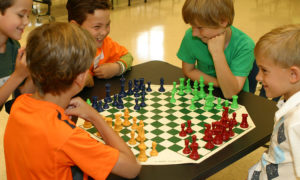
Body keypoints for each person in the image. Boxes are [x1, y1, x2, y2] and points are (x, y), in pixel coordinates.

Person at [4, 22, 141, 180]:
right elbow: (132, 168)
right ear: (81, 78)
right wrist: (94, 117)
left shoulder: (19, 104)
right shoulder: (67, 137)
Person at [248, 24, 300, 179]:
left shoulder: (297, 122)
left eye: (264, 70)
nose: (258, 77)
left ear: (293, 74)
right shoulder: (289, 100)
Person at [177, 0, 255, 99]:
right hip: (205, 93)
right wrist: (219, 83)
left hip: (236, 102)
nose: (194, 34)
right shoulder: (191, 37)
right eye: (192, 27)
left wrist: (217, 53)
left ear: (223, 21)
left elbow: (230, 93)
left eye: (200, 28)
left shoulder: (245, 46)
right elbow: (188, 70)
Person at [66, 0, 133, 87]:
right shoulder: (64, 51)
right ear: (75, 27)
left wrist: (117, 68)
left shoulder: (105, 43)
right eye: (97, 27)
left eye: (107, 24)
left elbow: (128, 56)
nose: (104, 32)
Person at [0, 0, 32, 108]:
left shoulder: (13, 47)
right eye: (21, 15)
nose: (27, 21)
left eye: (28, 15)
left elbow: (22, 94)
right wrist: (18, 75)